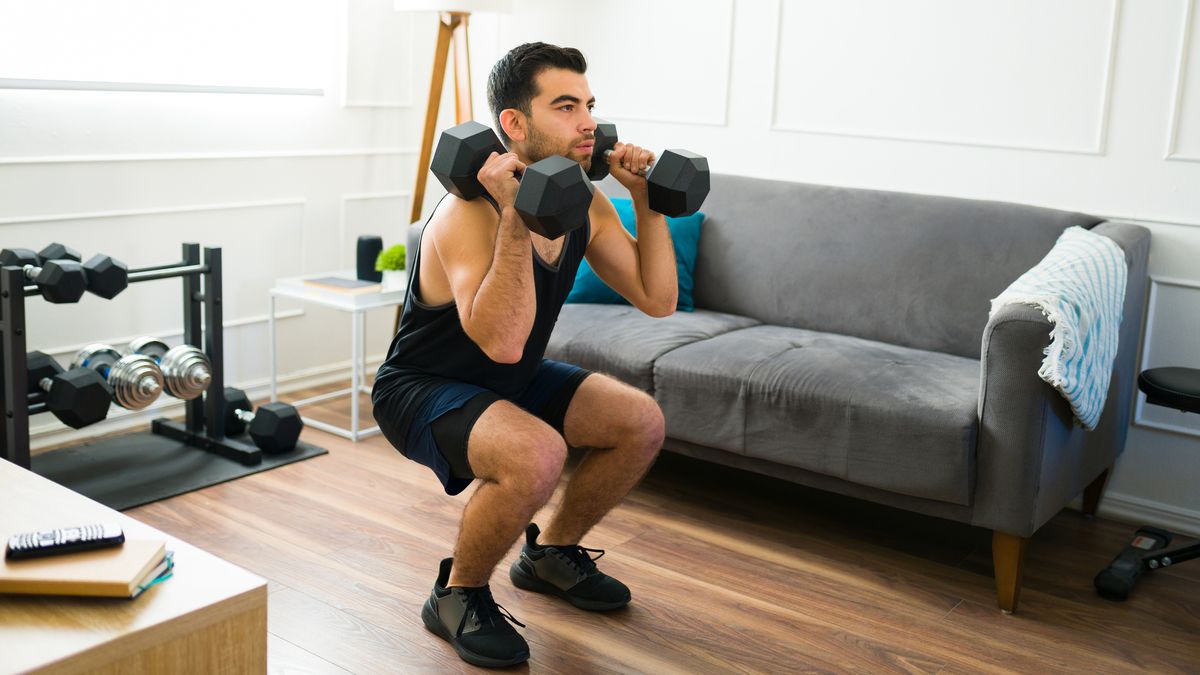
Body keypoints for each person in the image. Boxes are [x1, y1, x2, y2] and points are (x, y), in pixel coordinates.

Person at [371, 42, 677, 668]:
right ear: (514, 124)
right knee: (538, 454)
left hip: (510, 377)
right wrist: (516, 216)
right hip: (423, 387)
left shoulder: (584, 202)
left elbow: (656, 298)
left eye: (589, 105)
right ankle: (457, 594)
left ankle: (551, 554)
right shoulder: (467, 214)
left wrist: (645, 201)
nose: (588, 122)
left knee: (638, 422)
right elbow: (504, 341)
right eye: (565, 107)